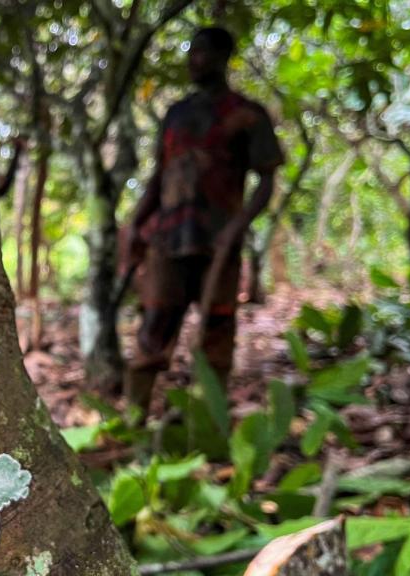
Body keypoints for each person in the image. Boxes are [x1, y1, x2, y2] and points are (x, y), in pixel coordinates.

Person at [124, 27, 284, 410]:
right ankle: (133, 418)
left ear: (222, 57)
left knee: (216, 329)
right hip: (169, 239)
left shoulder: (248, 115)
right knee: (154, 329)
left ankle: (205, 424)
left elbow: (266, 181)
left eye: (201, 52)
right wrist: (135, 227)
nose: (192, 60)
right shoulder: (176, 114)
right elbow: (159, 177)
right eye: (190, 52)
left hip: (218, 241)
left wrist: (235, 229)